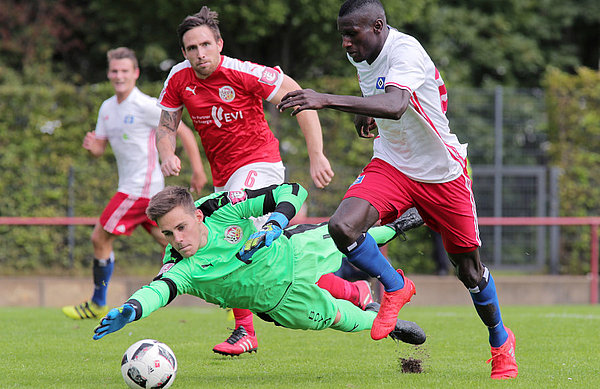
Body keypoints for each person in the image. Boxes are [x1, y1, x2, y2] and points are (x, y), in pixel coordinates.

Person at [277, 0, 517, 380]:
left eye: (351, 34)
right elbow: (378, 97)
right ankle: (395, 286)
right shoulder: (363, 53)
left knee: (469, 271)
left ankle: (501, 342)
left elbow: (396, 103)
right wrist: (363, 114)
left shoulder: (405, 50)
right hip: (392, 165)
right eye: (342, 36)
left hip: (442, 173)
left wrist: (324, 99)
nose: (345, 44)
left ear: (377, 26)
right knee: (343, 227)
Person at [154, 7, 337, 356]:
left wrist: (317, 154)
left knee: (236, 236)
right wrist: (166, 153)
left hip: (260, 164)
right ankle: (349, 291)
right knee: (256, 251)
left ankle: (245, 329)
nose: (200, 54)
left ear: (219, 44)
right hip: (226, 177)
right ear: (183, 52)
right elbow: (165, 126)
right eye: (192, 48)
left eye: (206, 45)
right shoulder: (178, 78)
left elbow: (297, 95)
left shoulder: (241, 71)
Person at [92, 184, 426, 349]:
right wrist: (133, 309)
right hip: (283, 304)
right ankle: (389, 325)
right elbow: (158, 290)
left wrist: (275, 223)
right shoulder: (179, 265)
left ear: (197, 216)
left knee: (349, 234)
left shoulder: (219, 207)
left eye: (181, 228)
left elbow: (292, 190)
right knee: (340, 320)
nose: (177, 239)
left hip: (296, 251)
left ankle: (399, 225)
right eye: (167, 234)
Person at [62, 47, 206, 320]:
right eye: (115, 71)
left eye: (125, 71)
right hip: (138, 191)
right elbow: (100, 149)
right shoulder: (107, 108)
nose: (119, 76)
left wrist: (198, 171)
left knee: (99, 236)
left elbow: (183, 130)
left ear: (136, 73)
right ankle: (230, 294)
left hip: (139, 190)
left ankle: (97, 302)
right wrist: (92, 147)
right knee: (178, 247)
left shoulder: (145, 105)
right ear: (109, 73)